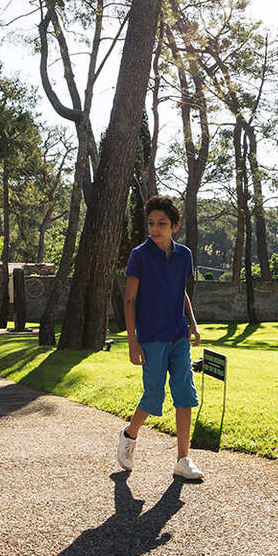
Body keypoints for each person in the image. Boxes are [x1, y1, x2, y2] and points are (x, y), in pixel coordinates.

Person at [117, 195, 204, 481]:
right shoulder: (139, 255)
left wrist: (192, 323)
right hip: (151, 337)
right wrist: (133, 342)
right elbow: (130, 300)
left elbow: (181, 292)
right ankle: (130, 434)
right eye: (151, 223)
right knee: (153, 396)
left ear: (175, 226)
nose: (155, 229)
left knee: (185, 393)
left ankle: (183, 459)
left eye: (162, 223)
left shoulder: (184, 255)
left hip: (178, 335)